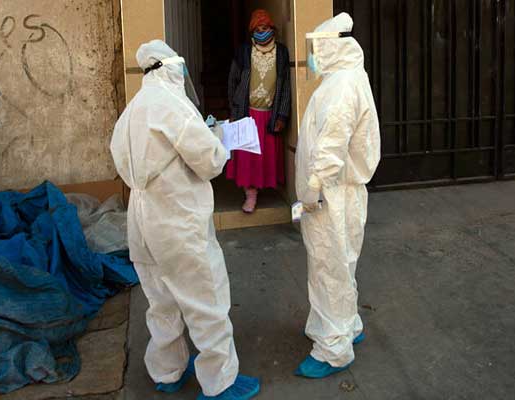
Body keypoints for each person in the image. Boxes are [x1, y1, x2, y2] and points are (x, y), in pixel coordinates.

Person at [110, 40, 260, 400]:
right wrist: (218, 137)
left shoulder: (134, 108)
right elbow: (210, 161)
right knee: (205, 296)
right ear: (172, 69)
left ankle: (167, 371)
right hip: (177, 219)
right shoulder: (172, 105)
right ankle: (220, 382)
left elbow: (124, 158)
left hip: (143, 219)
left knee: (161, 300)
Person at [294, 13, 381, 379]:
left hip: (331, 194)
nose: (313, 57)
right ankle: (347, 325)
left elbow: (331, 144)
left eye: (316, 49)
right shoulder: (346, 78)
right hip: (339, 192)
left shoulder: (342, 86)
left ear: (331, 48)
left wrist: (312, 188)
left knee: (330, 268)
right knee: (341, 264)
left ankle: (333, 351)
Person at [226, 9, 291, 213]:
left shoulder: (281, 52)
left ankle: (263, 187)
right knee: (247, 156)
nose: (262, 32)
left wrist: (282, 115)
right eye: (258, 29)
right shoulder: (244, 51)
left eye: (265, 28)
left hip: (270, 114)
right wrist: (234, 110)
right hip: (247, 113)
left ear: (272, 29)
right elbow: (233, 80)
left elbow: (286, 86)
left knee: (264, 156)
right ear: (252, 31)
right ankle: (250, 195)